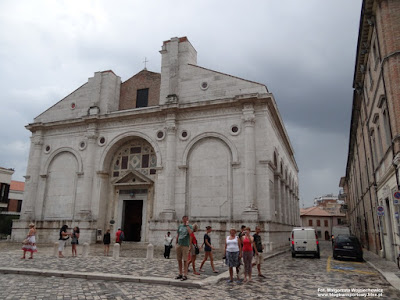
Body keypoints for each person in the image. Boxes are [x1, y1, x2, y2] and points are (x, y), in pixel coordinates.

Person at [175, 215, 193, 281]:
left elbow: (190, 233)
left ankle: (185, 274)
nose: (185, 220)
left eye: (187, 219)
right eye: (184, 219)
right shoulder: (180, 226)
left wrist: (187, 225)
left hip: (185, 245)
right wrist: (176, 243)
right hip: (179, 244)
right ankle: (180, 273)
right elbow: (178, 235)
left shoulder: (190, 226)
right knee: (179, 259)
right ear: (183, 220)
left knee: (185, 260)